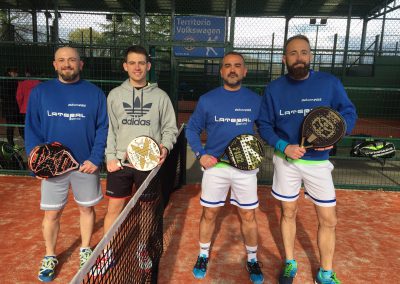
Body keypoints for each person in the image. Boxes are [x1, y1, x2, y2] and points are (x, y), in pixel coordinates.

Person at [258, 35, 357, 284]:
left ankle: (325, 273)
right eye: (293, 53)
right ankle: (290, 263)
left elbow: (348, 112)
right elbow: (264, 124)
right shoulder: (274, 89)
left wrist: (339, 133)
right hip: (287, 161)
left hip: (318, 163)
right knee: (288, 212)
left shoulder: (329, 83)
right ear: (284, 58)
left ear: (310, 55)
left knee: (328, 219)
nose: (299, 57)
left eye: (303, 52)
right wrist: (283, 146)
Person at [24, 47, 108, 282]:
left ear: (81, 64)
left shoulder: (95, 93)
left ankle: (84, 249)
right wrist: (37, 163)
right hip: (52, 169)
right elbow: (32, 129)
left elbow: (103, 128)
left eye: (72, 60)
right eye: (62, 60)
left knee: (86, 209)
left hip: (85, 166)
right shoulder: (41, 92)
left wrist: (94, 158)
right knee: (52, 214)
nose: (67, 64)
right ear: (54, 65)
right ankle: (50, 255)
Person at [185, 51, 264, 283]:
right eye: (227, 66)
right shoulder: (207, 99)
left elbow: (267, 128)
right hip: (215, 167)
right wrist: (200, 154)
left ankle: (251, 258)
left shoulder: (255, 100)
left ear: (244, 71)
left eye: (237, 65)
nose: (232, 69)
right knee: (209, 213)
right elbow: (192, 129)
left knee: (248, 215)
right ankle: (202, 254)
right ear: (221, 72)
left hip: (245, 169)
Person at [101, 45, 177, 274]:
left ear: (148, 66)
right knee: (114, 208)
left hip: (149, 163)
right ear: (125, 66)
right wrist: (110, 157)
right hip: (121, 164)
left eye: (141, 63)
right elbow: (110, 130)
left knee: (146, 209)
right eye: (132, 63)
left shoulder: (161, 97)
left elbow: (169, 129)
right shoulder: (115, 95)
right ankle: (107, 252)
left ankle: (142, 247)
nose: (137, 67)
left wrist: (164, 147)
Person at [0, 67, 24, 146]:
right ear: (10, 73)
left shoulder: (3, 81)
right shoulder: (13, 82)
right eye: (15, 73)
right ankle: (25, 141)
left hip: (8, 107)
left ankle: (11, 143)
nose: (16, 74)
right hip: (14, 107)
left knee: (11, 126)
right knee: (20, 126)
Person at [16, 68, 41, 140]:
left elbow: (19, 97)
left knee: (26, 126)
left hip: (24, 109)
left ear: (27, 74)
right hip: (37, 110)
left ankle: (27, 140)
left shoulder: (22, 84)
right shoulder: (40, 84)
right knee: (36, 125)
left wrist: (21, 106)